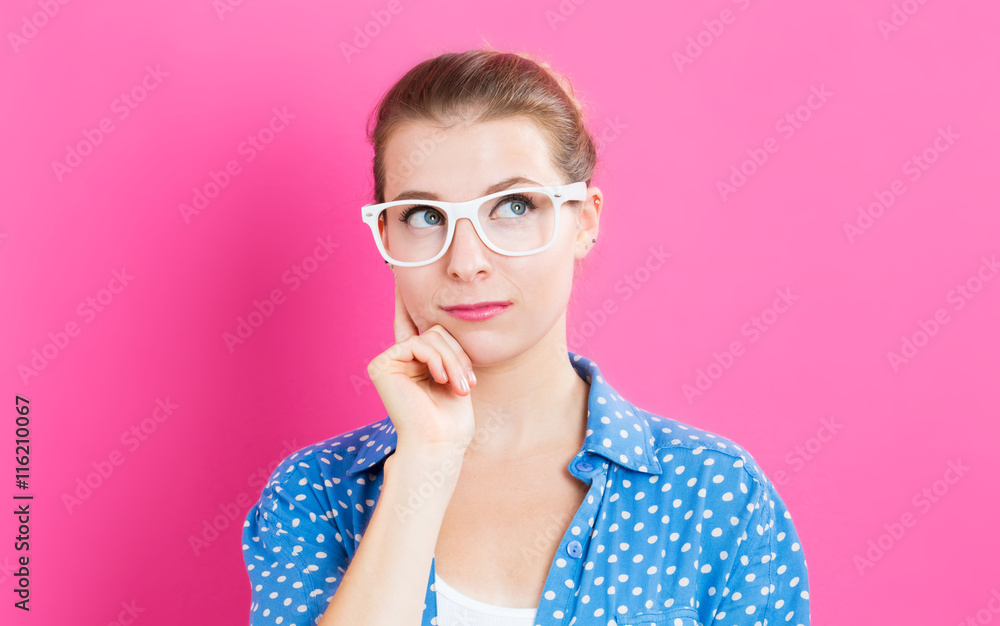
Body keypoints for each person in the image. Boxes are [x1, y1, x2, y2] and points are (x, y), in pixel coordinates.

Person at [242, 48, 811, 626]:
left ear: (584, 221)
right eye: (423, 216)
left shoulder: (715, 493)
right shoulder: (314, 494)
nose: (465, 263)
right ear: (385, 233)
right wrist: (427, 461)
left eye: (513, 205)